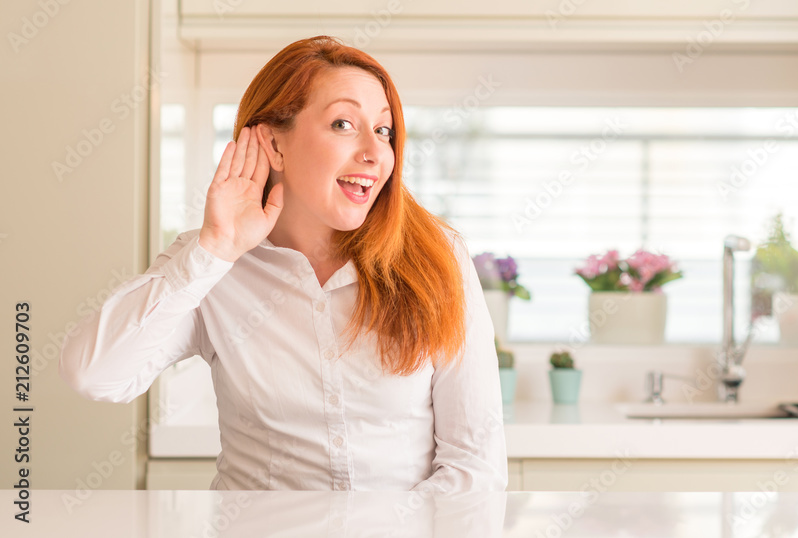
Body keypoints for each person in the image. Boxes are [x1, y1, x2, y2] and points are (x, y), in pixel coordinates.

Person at [59, 35, 508, 492]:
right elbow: (94, 374)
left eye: (384, 130)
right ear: (274, 145)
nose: (375, 153)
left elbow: (475, 469)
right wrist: (213, 252)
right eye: (343, 124)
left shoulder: (439, 257)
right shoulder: (212, 261)